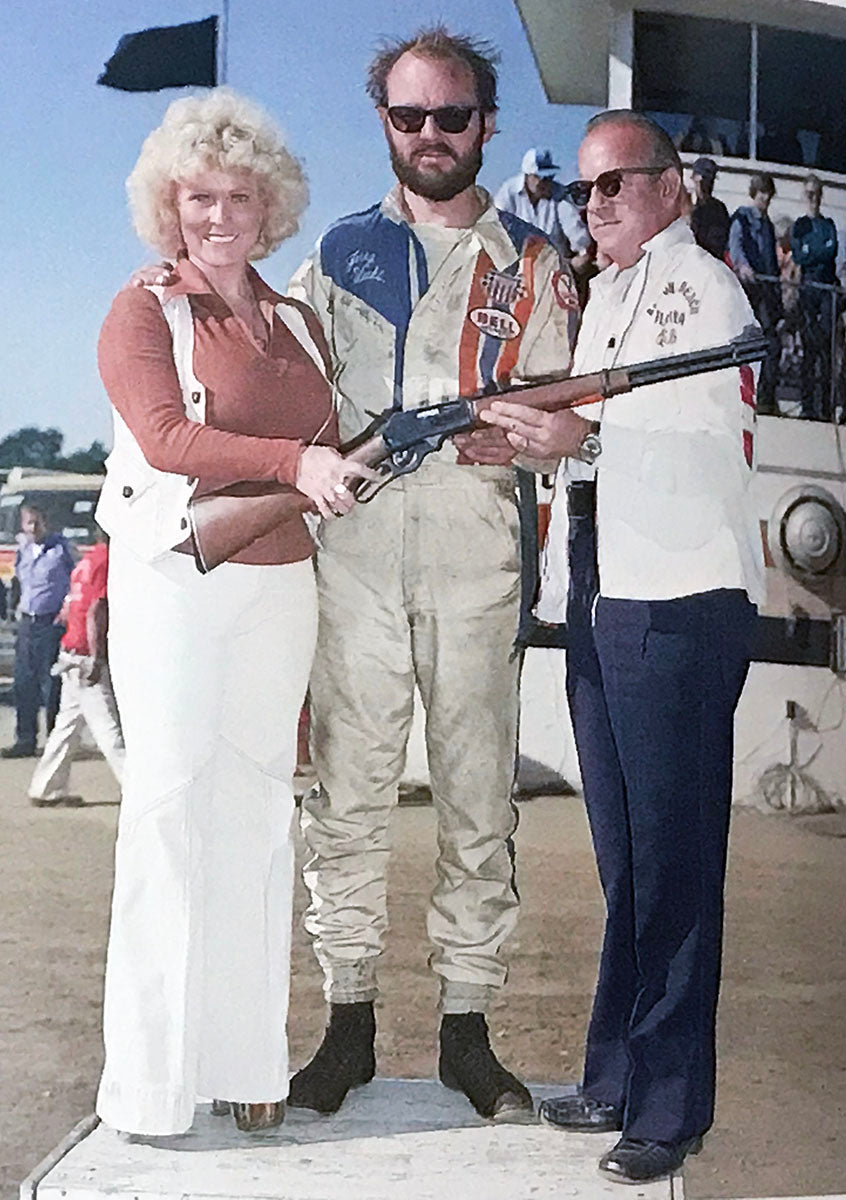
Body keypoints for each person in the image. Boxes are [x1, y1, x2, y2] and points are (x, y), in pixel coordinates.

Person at [286, 27, 577, 1122]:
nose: (432, 135)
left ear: (487, 125)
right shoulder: (341, 252)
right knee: (346, 799)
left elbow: (573, 416)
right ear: (386, 125)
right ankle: (346, 1021)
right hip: (353, 556)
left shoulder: (536, 266)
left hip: (477, 560)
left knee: (475, 805)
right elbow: (287, 383)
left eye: (452, 116)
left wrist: (551, 437)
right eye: (410, 117)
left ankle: (467, 1028)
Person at [480, 111, 765, 1184]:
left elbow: (711, 436)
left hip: (681, 592)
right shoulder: (603, 298)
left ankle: (672, 1105)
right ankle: (615, 1073)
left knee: (677, 862)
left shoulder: (706, 291)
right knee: (626, 858)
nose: (595, 206)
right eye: (584, 191)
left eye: (615, 186)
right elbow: (580, 437)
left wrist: (584, 434)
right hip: (601, 587)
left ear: (670, 189)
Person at [94, 88, 369, 1138]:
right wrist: (298, 460)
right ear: (171, 206)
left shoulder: (295, 319)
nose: (219, 216)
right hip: (173, 577)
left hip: (280, 584)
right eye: (199, 198)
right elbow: (166, 438)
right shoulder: (142, 308)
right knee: (167, 809)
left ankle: (249, 1058)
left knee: (260, 810)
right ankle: (149, 1086)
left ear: (271, 207)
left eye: (239, 198)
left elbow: (337, 446)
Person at [28, 530, 124, 807]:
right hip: (85, 655)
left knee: (67, 726)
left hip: (70, 651)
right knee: (109, 729)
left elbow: (71, 604)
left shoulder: (87, 560)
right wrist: (97, 657)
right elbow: (97, 609)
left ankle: (46, 787)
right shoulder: (108, 561)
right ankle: (135, 787)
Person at [1, 505, 74, 759]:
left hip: (51, 624)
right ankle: (25, 739)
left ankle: (54, 741)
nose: (33, 528)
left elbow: (77, 580)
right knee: (23, 683)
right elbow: (17, 585)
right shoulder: (23, 552)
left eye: (37, 523)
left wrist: (68, 606)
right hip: (27, 623)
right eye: (28, 523)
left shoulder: (61, 549)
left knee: (51, 684)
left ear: (46, 523)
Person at [729, 173, 782, 413]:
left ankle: (766, 397)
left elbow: (772, 261)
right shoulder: (742, 218)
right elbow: (736, 245)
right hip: (748, 290)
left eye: (769, 195)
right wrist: (743, 266)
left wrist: (776, 293)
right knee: (745, 341)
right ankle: (739, 393)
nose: (766, 199)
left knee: (770, 343)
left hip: (765, 292)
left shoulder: (768, 225)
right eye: (763, 194)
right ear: (755, 193)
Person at [495, 147, 592, 270]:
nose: (547, 182)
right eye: (541, 177)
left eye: (550, 177)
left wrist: (580, 256)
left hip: (555, 269)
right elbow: (496, 228)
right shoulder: (508, 193)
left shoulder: (561, 195)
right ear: (528, 176)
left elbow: (577, 232)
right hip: (517, 267)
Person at [792, 174, 839, 420]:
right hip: (808, 290)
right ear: (803, 195)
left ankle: (826, 407)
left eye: (817, 194)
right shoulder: (799, 226)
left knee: (827, 351)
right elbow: (800, 257)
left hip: (827, 290)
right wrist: (816, 253)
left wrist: (815, 252)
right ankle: (807, 406)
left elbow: (831, 251)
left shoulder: (828, 224)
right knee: (809, 350)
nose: (813, 198)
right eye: (809, 193)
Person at [689, 156, 729, 261]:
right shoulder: (683, 205)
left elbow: (721, 243)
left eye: (710, 182)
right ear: (693, 178)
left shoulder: (719, 210)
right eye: (702, 181)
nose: (706, 186)